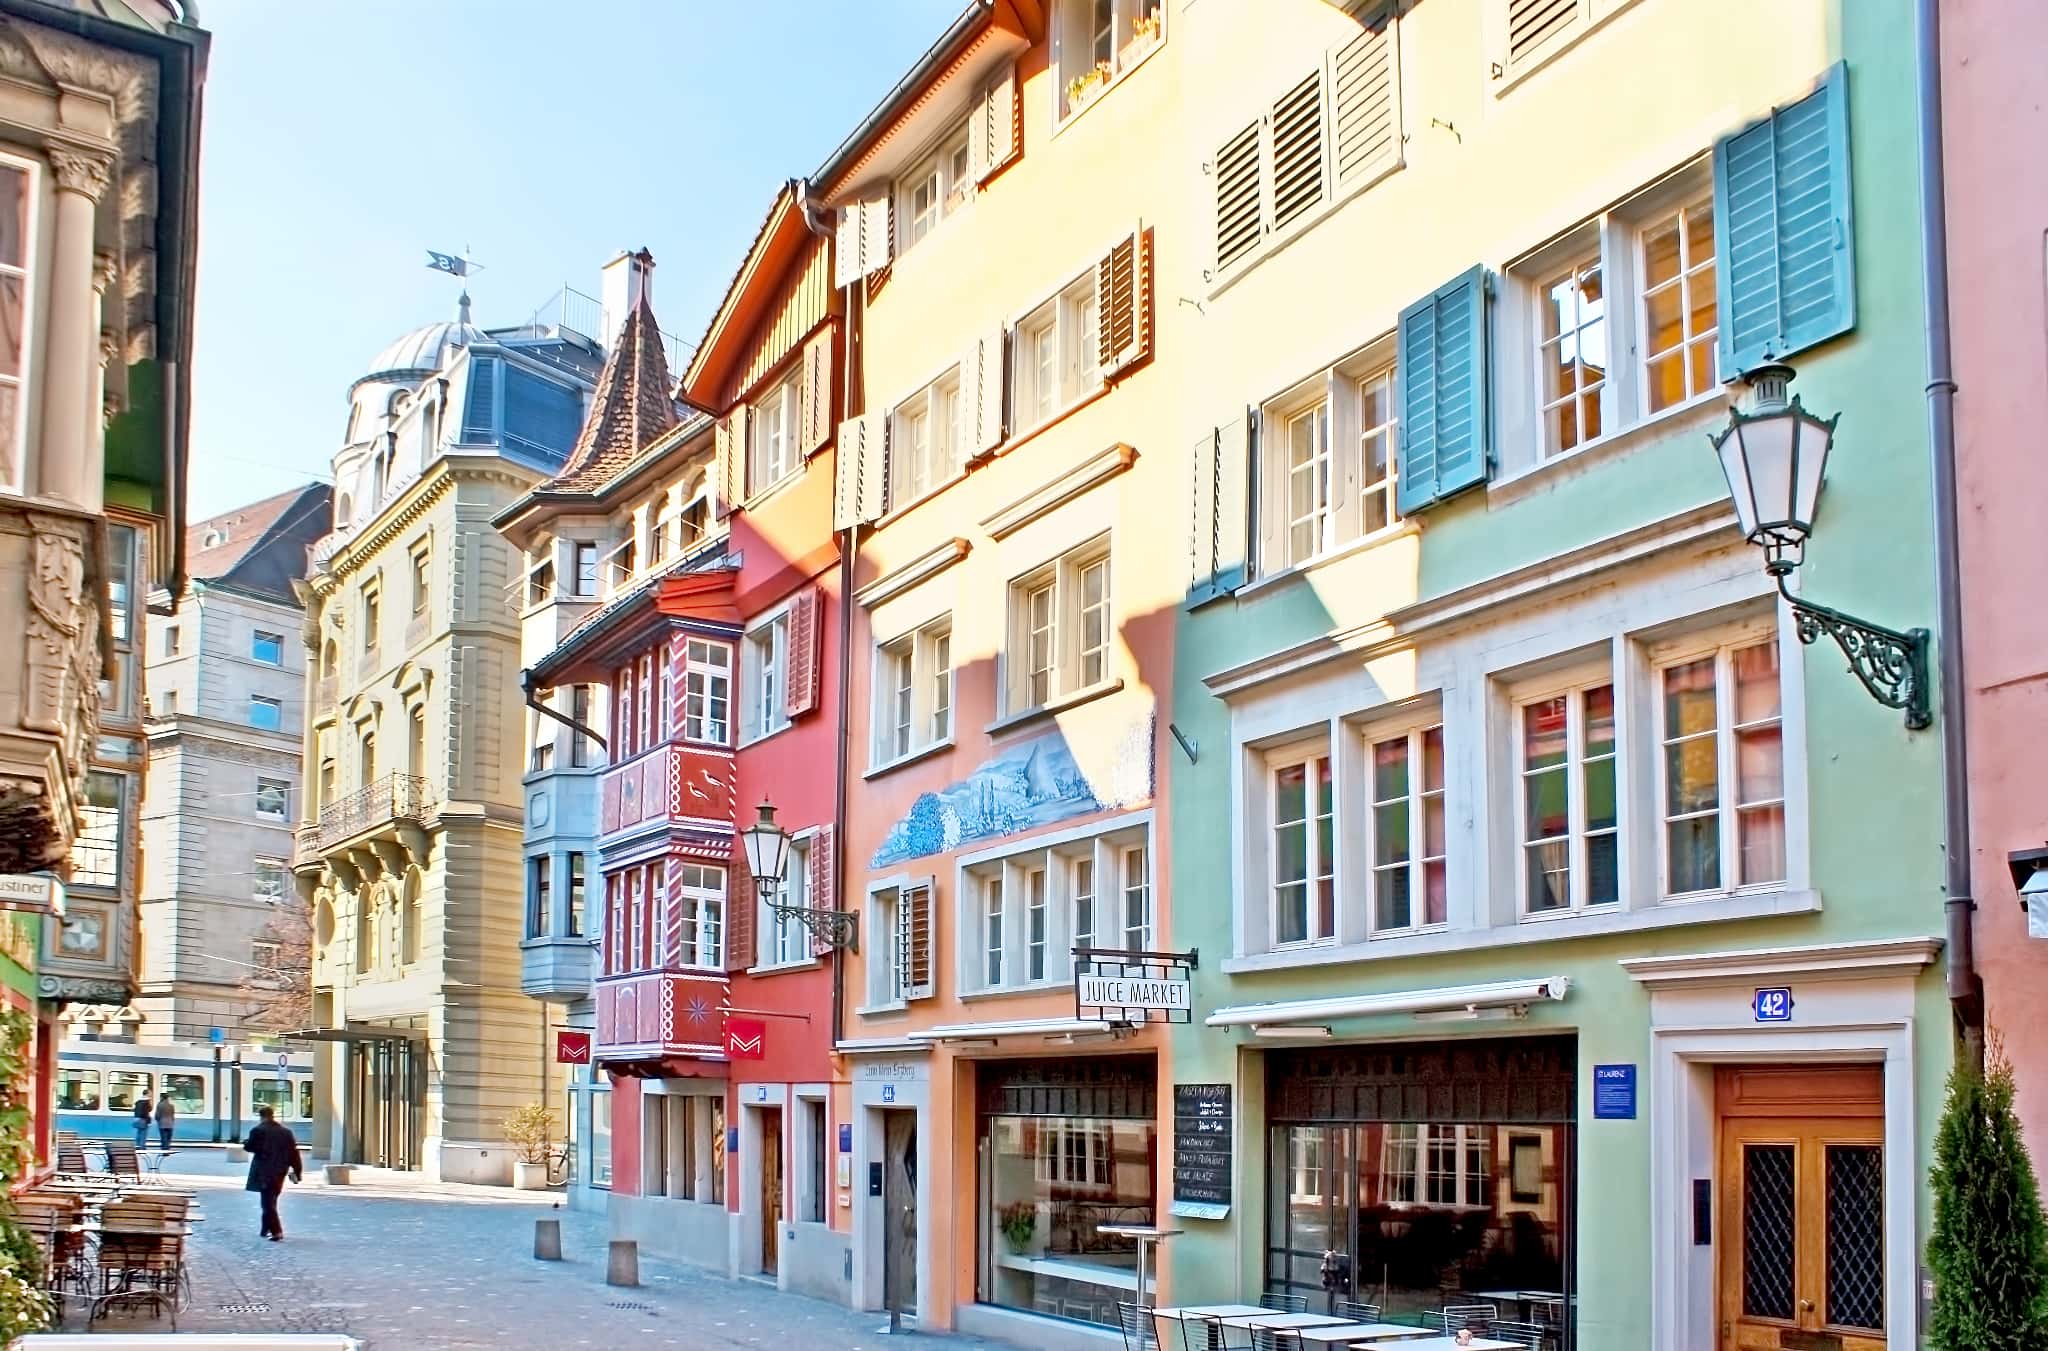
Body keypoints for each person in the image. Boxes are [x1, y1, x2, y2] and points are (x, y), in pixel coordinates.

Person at [244, 1105, 303, 1241]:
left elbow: (250, 1147)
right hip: (280, 1171)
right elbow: (294, 1154)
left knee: (267, 1203)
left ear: (261, 1117)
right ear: (272, 1115)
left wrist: (246, 1143)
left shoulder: (258, 1130)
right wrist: (297, 1171)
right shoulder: (286, 1132)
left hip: (264, 1171)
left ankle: (277, 1232)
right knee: (272, 1200)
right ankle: (265, 1229)